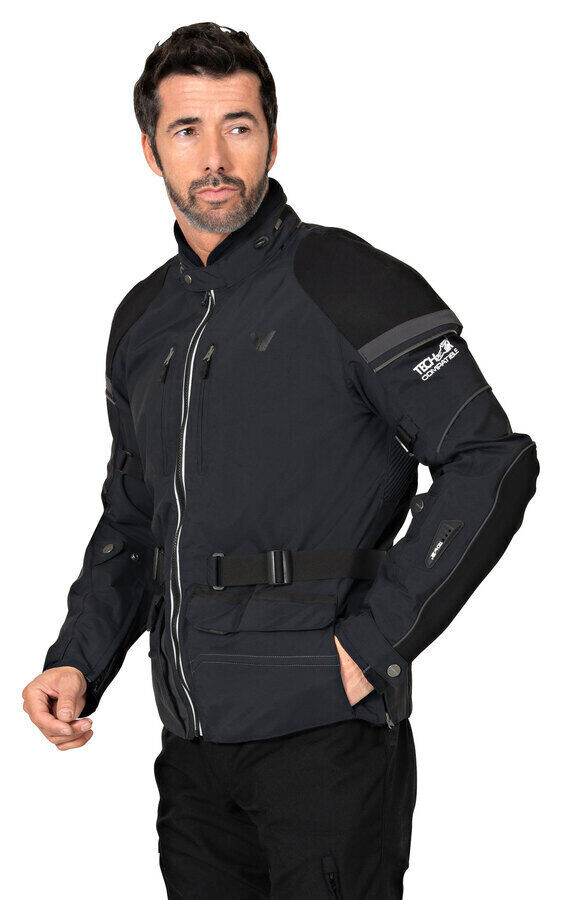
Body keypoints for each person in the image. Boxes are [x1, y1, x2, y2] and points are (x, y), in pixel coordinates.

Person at [21, 22, 539, 899]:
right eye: (188, 130)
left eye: (240, 126)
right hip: (192, 761)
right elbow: (135, 519)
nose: (215, 157)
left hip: (324, 746)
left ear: (272, 137)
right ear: (150, 150)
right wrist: (80, 657)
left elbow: (491, 460)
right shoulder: (143, 321)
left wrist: (370, 647)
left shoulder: (345, 278)